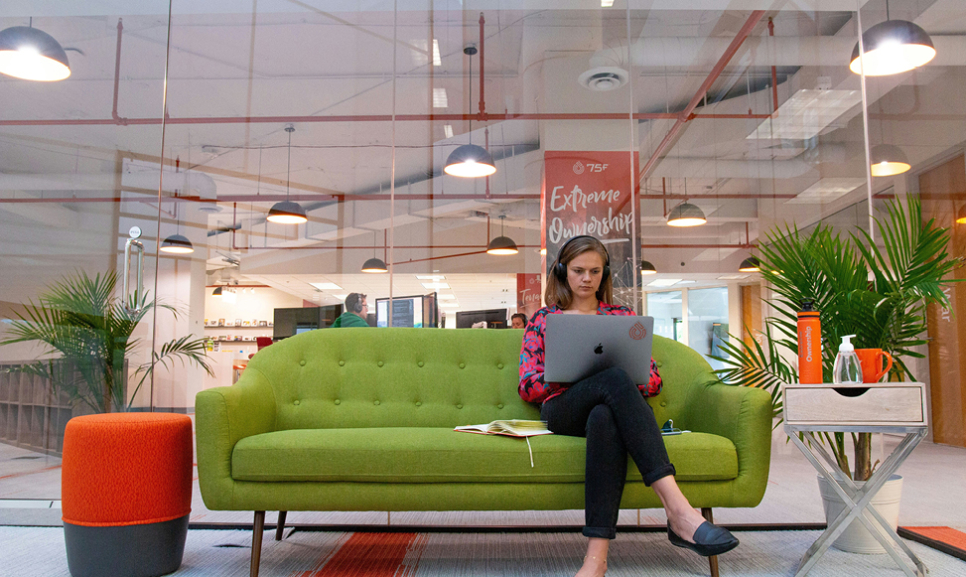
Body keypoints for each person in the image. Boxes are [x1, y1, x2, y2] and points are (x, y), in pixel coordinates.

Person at [519, 236, 738, 577]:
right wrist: (569, 373)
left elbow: (652, 380)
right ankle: (679, 510)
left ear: (604, 274)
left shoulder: (622, 317)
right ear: (562, 272)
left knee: (606, 415)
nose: (586, 279)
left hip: (604, 411)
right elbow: (527, 385)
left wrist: (618, 375)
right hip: (562, 409)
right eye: (578, 270)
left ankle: (596, 560)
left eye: (594, 271)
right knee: (615, 379)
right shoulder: (545, 319)